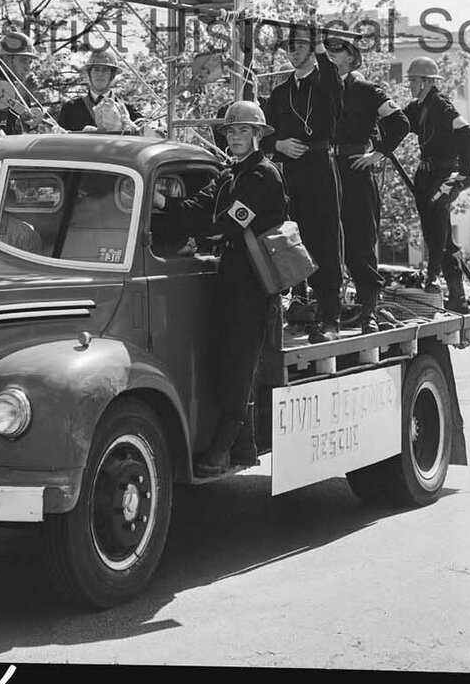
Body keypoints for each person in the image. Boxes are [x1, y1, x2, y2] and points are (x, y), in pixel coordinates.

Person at [152, 100, 288, 476]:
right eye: (230, 131)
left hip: (254, 280)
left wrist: (198, 230)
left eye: (243, 130)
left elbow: (229, 224)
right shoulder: (229, 175)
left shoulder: (264, 175)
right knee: (222, 359)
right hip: (229, 272)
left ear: (258, 135)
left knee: (240, 363)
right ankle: (238, 444)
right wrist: (158, 201)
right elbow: (196, 207)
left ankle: (224, 448)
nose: (235, 137)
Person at [262, 25, 345, 340]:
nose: (293, 52)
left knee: (325, 240)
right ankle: (299, 306)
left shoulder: (326, 81)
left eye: (300, 46)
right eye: (289, 47)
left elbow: (334, 89)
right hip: (290, 173)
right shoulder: (281, 92)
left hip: (320, 168)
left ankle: (330, 317)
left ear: (313, 49)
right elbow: (266, 133)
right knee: (292, 238)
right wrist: (278, 146)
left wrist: (321, 47)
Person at [327, 38, 409, 334]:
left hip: (355, 167)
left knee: (360, 241)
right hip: (326, 170)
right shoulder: (322, 90)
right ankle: (325, 311)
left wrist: (377, 154)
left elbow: (400, 122)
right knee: (326, 240)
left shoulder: (365, 90)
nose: (330, 56)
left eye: (336, 51)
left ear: (351, 57)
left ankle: (368, 312)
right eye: (327, 52)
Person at [403, 57, 470, 314]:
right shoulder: (416, 107)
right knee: (439, 234)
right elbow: (399, 124)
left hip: (443, 175)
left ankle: (433, 277)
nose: (410, 85)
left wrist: (461, 175)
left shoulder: (442, 106)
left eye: (413, 80)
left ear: (426, 82)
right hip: (425, 176)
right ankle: (456, 296)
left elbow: (467, 134)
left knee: (437, 231)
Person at [57, 47, 141, 134]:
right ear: (89, 74)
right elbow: (59, 141)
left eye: (105, 70)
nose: (100, 74)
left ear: (112, 75)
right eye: (96, 70)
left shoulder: (128, 110)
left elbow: (144, 134)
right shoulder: (71, 109)